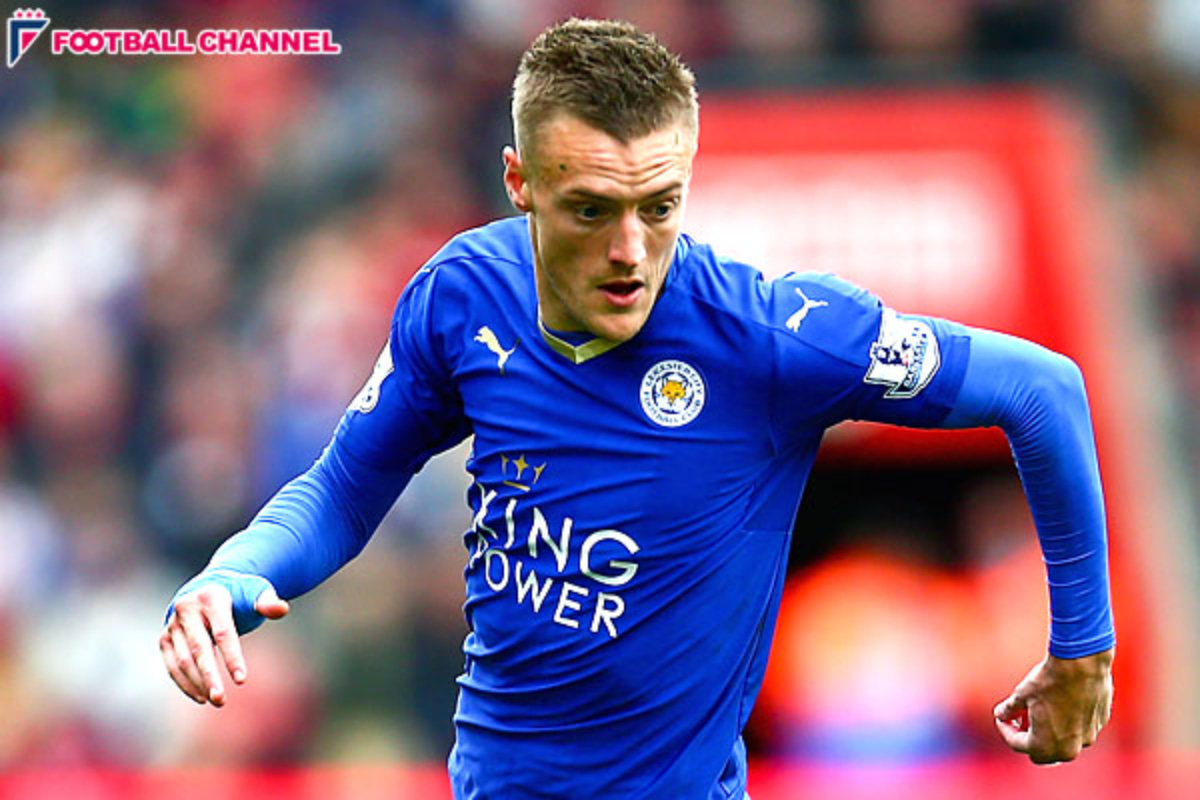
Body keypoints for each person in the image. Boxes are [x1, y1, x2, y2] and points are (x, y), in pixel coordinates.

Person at [161, 18, 1114, 799]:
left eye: (658, 206)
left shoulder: (773, 339)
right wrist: (235, 572)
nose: (629, 249)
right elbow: (343, 488)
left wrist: (1082, 650)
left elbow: (1041, 390)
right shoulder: (463, 296)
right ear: (520, 183)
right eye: (590, 210)